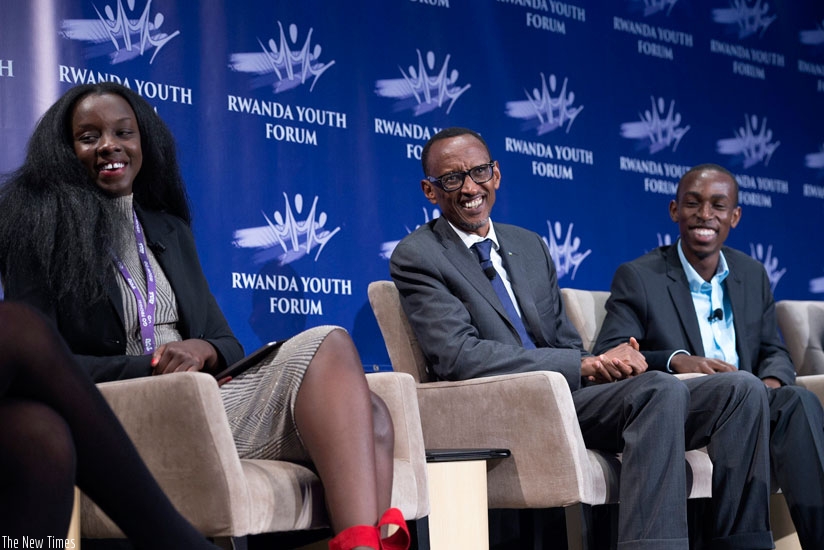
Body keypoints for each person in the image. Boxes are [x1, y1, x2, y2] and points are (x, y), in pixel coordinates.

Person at [0, 82, 407, 550]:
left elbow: (227, 343)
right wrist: (155, 365)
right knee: (335, 349)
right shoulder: (39, 231)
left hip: (204, 401)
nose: (109, 145)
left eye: (123, 133)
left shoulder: (170, 229)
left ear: (143, 143)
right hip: (121, 408)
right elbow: (45, 363)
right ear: (65, 152)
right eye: (89, 136)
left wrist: (203, 349)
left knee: (371, 411)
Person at [389, 127, 775, 549]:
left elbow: (566, 342)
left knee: (742, 389)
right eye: (452, 179)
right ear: (430, 190)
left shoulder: (528, 245)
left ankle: (742, 545)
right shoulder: (419, 255)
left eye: (479, 172)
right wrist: (582, 365)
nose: (469, 188)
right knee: (658, 391)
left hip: (572, 396)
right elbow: (459, 357)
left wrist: (605, 363)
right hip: (513, 405)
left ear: (496, 174)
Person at [594, 163, 824, 549]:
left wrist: (768, 384)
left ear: (734, 216)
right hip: (689, 409)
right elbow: (609, 352)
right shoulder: (640, 276)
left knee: (798, 400)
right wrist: (677, 360)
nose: (705, 215)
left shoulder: (751, 274)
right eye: (693, 203)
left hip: (751, 402)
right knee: (743, 393)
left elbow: (773, 350)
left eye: (718, 206)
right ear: (673, 210)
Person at [0, 301, 220, 549]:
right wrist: (150, 366)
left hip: (199, 394)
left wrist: (203, 348)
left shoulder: (179, 261)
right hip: (129, 395)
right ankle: (174, 540)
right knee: (19, 326)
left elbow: (227, 342)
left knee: (40, 434)